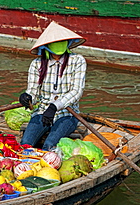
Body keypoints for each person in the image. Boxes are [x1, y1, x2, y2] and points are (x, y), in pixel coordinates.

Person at [19, 21, 87, 151]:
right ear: (47, 45)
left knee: (49, 146)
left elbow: (76, 91)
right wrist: (27, 97)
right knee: (25, 144)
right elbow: (33, 92)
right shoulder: (37, 64)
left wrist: (55, 106)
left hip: (67, 114)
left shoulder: (77, 60)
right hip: (42, 112)